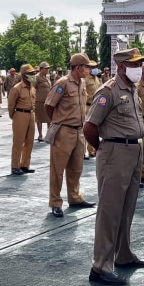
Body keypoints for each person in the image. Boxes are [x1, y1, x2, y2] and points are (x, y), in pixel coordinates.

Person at [84, 48, 144, 286]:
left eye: (140, 64)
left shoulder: (131, 90)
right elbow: (90, 126)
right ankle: (100, 266)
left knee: (127, 207)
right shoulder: (108, 91)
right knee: (109, 212)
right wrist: (104, 149)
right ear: (122, 67)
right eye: (134, 65)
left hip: (133, 151)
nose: (139, 69)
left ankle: (123, 255)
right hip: (114, 152)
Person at [44, 53, 96, 217]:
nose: (89, 70)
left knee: (76, 168)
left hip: (78, 130)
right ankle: (55, 202)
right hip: (64, 131)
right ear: (78, 68)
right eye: (87, 67)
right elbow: (49, 105)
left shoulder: (81, 83)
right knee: (58, 169)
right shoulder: (63, 83)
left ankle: (74, 197)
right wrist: (57, 121)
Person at [8, 64, 37, 175]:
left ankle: (25, 164)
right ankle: (15, 166)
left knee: (29, 142)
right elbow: (11, 105)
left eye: (33, 73)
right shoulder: (17, 88)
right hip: (20, 114)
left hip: (31, 114)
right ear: (24, 75)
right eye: (30, 74)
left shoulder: (32, 88)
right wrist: (14, 117)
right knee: (18, 142)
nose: (33, 75)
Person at [84, 60, 102, 159]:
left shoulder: (97, 79)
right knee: (85, 129)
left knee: (94, 129)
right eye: (92, 67)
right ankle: (83, 152)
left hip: (96, 106)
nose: (94, 68)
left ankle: (91, 150)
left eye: (96, 67)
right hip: (87, 106)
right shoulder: (85, 79)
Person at [33, 62, 52, 141]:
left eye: (48, 68)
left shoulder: (47, 77)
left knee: (49, 119)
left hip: (47, 101)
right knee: (39, 119)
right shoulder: (35, 77)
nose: (48, 70)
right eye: (46, 68)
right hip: (39, 102)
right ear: (41, 69)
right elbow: (32, 88)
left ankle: (48, 134)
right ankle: (40, 135)